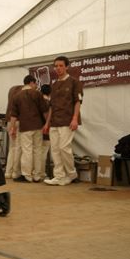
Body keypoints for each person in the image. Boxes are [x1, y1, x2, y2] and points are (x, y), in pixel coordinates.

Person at [43, 56, 83, 186]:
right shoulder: (54, 85)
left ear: (66, 67)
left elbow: (78, 101)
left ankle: (71, 174)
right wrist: (47, 123)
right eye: (56, 66)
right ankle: (59, 176)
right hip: (54, 121)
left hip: (68, 120)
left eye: (61, 66)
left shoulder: (74, 82)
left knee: (64, 148)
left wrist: (75, 118)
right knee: (55, 149)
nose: (58, 68)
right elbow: (51, 106)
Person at [10, 75, 48, 183]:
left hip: (25, 127)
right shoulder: (37, 94)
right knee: (37, 150)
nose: (36, 86)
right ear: (31, 83)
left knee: (27, 151)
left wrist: (12, 128)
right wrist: (47, 124)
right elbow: (44, 110)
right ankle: (37, 175)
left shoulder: (17, 96)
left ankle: (27, 175)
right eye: (35, 84)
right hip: (38, 126)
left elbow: (14, 115)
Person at [4, 84, 23, 179]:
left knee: (12, 148)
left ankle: (8, 171)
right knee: (18, 148)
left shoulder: (11, 94)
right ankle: (16, 172)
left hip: (9, 121)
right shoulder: (20, 98)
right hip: (17, 121)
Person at [39, 84, 52, 179]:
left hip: (36, 129)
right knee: (43, 151)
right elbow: (47, 116)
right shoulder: (47, 102)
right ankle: (42, 173)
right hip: (45, 129)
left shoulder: (37, 101)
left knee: (36, 152)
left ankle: (36, 172)